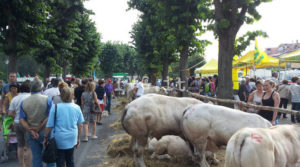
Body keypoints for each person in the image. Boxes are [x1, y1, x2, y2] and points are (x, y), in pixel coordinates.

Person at [44, 87, 84, 167]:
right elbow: (80, 125)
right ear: (72, 96)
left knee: (60, 160)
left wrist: (45, 138)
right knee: (70, 159)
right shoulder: (77, 107)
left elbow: (49, 126)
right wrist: (78, 138)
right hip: (72, 136)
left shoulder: (55, 107)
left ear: (61, 96)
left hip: (59, 137)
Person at [19, 79, 55, 167]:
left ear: (30, 88)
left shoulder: (24, 102)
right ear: (41, 88)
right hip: (45, 131)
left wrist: (30, 130)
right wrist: (39, 128)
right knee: (50, 156)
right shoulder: (47, 100)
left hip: (31, 132)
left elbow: (21, 120)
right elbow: (49, 117)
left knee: (36, 157)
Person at [8, 82, 32, 167]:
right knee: (29, 147)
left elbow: (10, 113)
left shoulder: (15, 99)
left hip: (17, 123)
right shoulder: (30, 97)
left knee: (20, 146)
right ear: (29, 89)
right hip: (28, 124)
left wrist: (17, 116)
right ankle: (29, 165)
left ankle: (22, 165)